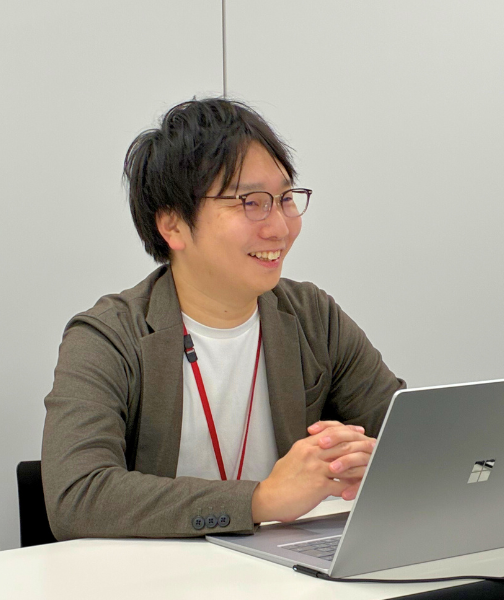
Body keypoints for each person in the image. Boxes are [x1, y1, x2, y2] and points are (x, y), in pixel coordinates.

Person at [42, 98, 404, 539]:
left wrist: (368, 456)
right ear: (173, 226)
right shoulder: (109, 337)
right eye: (251, 202)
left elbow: (413, 437)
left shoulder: (313, 317)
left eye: (285, 199)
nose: (280, 227)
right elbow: (76, 497)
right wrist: (259, 500)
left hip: (285, 568)